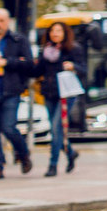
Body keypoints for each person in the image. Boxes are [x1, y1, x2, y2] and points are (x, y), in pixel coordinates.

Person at [36, 21, 86, 176]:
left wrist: (73, 66)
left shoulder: (73, 49)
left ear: (65, 33)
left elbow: (84, 69)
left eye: (58, 31)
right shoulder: (45, 51)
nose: (55, 33)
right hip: (49, 92)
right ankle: (70, 153)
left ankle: (53, 165)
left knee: (57, 129)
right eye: (52, 31)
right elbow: (37, 71)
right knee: (55, 129)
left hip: (66, 93)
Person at [0, 8, 34, 178]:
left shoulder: (18, 40)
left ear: (8, 22)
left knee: (8, 127)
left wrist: (7, 62)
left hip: (10, 90)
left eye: (1, 21)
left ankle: (23, 153)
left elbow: (29, 64)